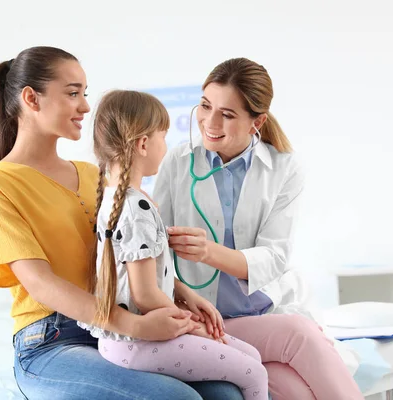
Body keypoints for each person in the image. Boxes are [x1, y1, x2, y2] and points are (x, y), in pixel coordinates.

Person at [0, 46, 245, 400]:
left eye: (84, 94)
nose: (86, 106)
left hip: (115, 332)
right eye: (73, 93)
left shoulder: (93, 176)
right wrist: (134, 325)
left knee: (226, 392)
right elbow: (40, 283)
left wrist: (183, 293)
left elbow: (126, 253)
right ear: (31, 99)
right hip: (52, 342)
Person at [154, 57, 365, 400]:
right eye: (205, 106)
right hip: (207, 320)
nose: (210, 121)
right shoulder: (178, 162)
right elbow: (154, 251)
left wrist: (209, 252)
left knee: (297, 388)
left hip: (261, 313)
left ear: (257, 122)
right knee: (299, 338)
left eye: (227, 113)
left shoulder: (285, 167)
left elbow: (274, 256)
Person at [78, 89, 269, 399]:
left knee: (252, 357)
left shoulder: (121, 199)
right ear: (143, 144)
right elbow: (145, 294)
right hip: (138, 343)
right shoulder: (134, 209)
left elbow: (148, 277)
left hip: (132, 338)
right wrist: (191, 324)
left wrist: (187, 295)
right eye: (162, 137)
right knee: (254, 371)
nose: (166, 147)